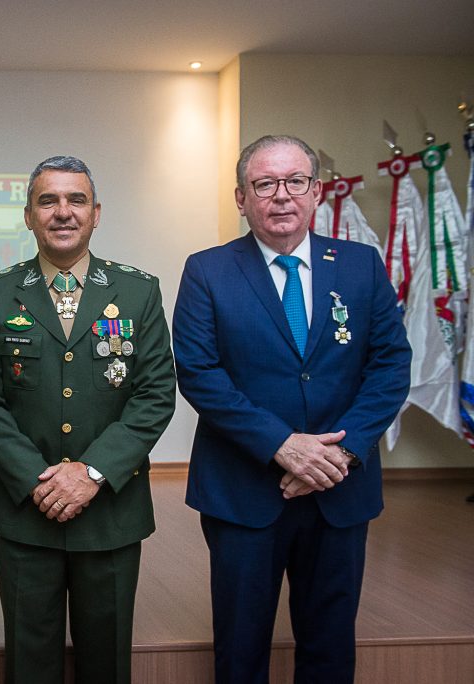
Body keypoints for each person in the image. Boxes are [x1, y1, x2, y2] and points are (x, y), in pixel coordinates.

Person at [172, 135, 411, 683]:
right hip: (243, 491)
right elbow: (200, 373)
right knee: (241, 648)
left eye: (295, 181)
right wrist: (282, 445)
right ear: (241, 198)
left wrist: (342, 453)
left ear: (316, 191)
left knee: (330, 647)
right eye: (264, 184)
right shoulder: (207, 271)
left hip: (340, 490)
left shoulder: (360, 265)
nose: (281, 195)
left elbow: (391, 365)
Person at [0, 155, 176, 683]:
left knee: (107, 662)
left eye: (76, 200)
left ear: (96, 213)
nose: (63, 212)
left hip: (111, 512)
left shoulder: (137, 290)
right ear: (28, 216)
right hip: (25, 510)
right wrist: (40, 480)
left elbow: (155, 395)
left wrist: (91, 472)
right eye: (48, 201)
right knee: (28, 663)